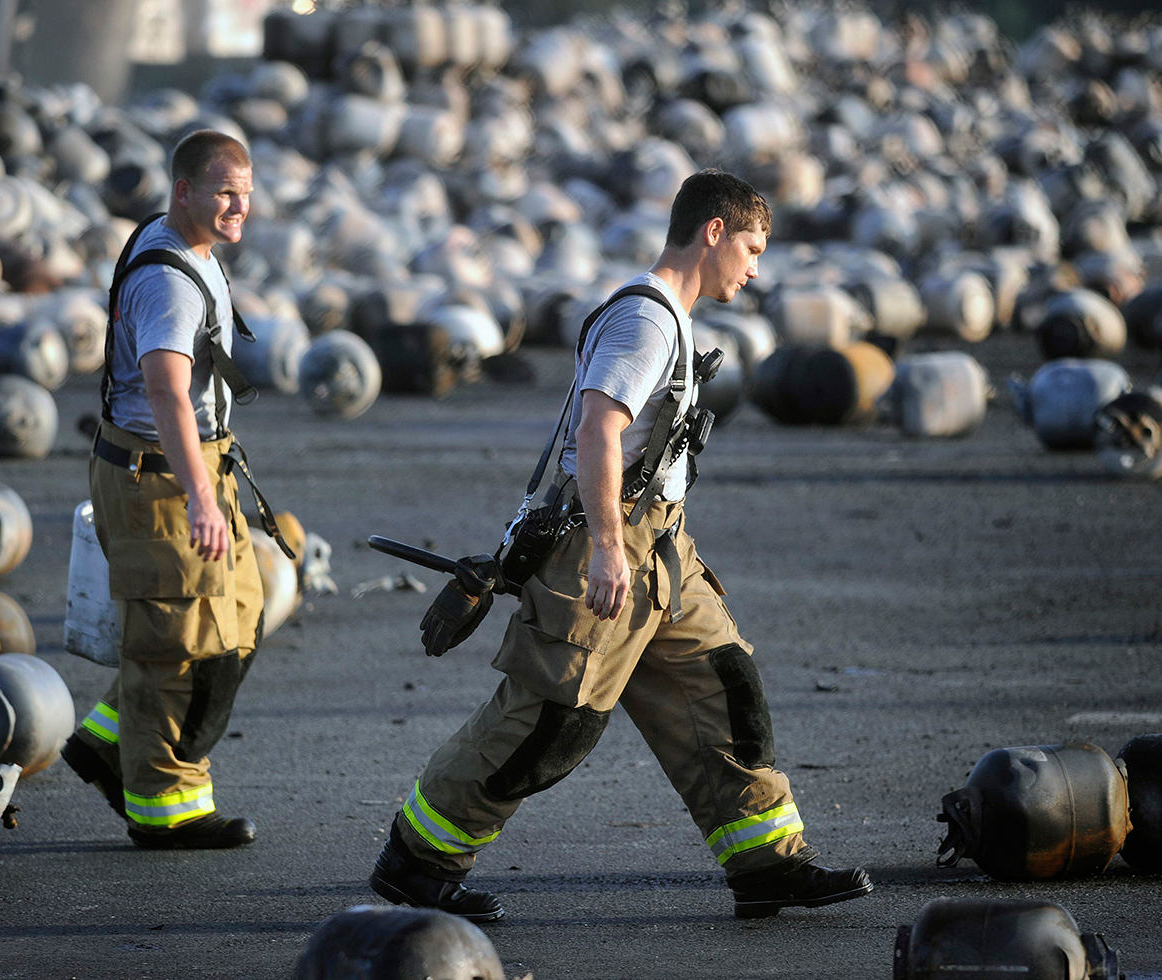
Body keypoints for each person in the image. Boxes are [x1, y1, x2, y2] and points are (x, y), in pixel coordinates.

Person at [369, 170, 874, 920]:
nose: (756, 267)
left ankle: (767, 863)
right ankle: (418, 861)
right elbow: (599, 427)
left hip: (665, 548)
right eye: (752, 247)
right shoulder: (647, 321)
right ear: (713, 232)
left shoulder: (672, 313)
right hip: (607, 546)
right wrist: (608, 548)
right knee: (548, 722)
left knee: (724, 689)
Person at [61, 130, 266, 850]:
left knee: (239, 617)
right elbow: (167, 392)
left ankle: (105, 742)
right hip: (161, 476)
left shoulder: (185, 244)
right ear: (183, 191)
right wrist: (202, 499)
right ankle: (165, 808)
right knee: (176, 644)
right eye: (222, 193)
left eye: (245, 192)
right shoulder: (169, 280)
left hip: (192, 464)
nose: (239, 206)